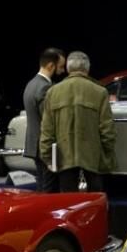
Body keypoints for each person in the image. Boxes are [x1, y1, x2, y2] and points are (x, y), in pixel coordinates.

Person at [39, 50, 116, 192]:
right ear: (87, 68)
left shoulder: (53, 92)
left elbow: (46, 129)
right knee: (95, 200)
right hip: (94, 158)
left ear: (68, 68)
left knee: (69, 202)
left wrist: (48, 156)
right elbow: (107, 129)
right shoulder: (100, 92)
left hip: (64, 158)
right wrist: (106, 156)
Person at [23, 47, 65, 191]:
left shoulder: (31, 84)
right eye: (60, 67)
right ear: (50, 66)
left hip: (35, 145)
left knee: (42, 187)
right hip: (45, 147)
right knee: (48, 190)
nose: (63, 71)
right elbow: (49, 120)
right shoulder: (44, 87)